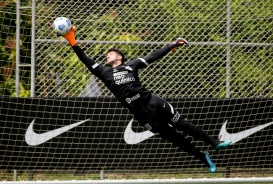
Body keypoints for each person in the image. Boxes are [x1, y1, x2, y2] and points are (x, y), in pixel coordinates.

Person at [62, 26, 231, 173]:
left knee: (184, 125)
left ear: (119, 57)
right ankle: (204, 158)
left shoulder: (131, 65)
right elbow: (85, 59)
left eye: (110, 53)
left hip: (154, 102)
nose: (107, 56)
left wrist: (172, 45)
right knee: (177, 140)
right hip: (143, 116)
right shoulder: (104, 73)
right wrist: (72, 41)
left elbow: (152, 56)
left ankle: (214, 143)